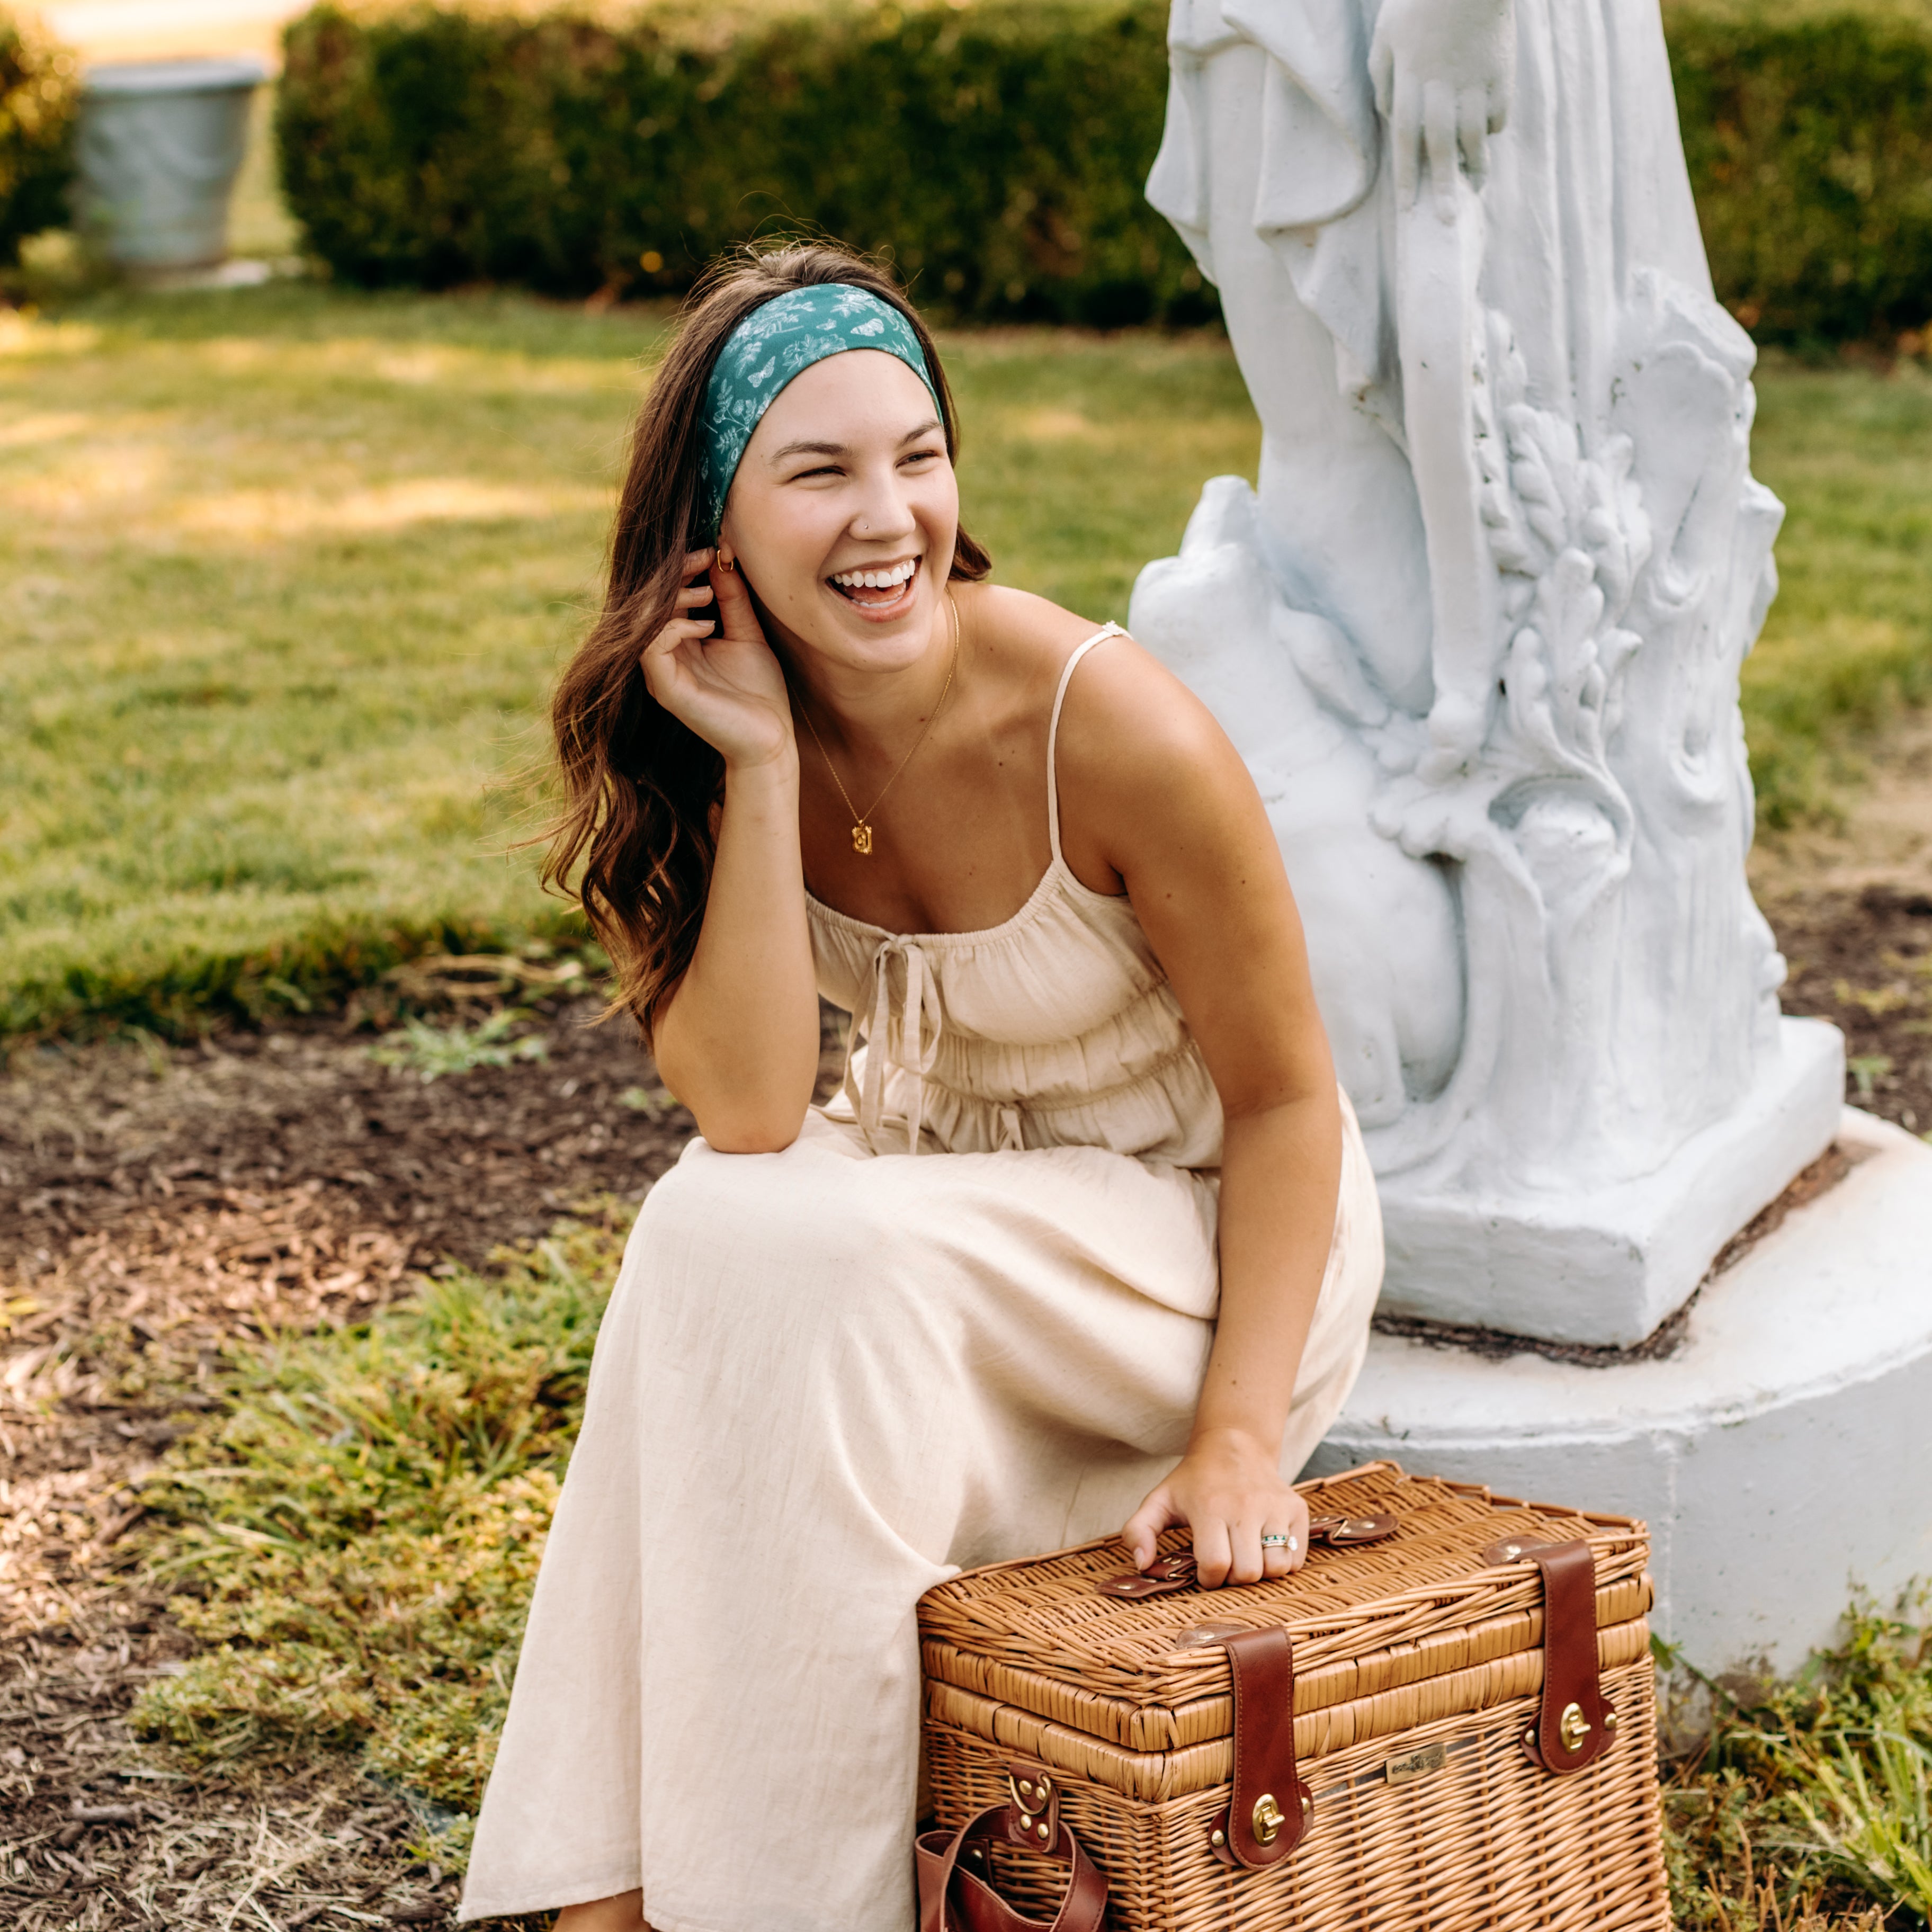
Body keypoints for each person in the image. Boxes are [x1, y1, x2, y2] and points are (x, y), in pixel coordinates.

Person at [456, 243, 1383, 1932]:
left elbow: (1287, 1104)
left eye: (919, 457)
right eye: (820, 472)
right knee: (709, 1226)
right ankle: (630, 1900)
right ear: (715, 531)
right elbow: (750, 1110)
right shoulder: (735, 728)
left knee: (808, 1253)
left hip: (1200, 1261)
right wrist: (754, 762)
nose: (890, 518)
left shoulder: (1112, 727)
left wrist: (1242, 1442)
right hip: (942, 1242)